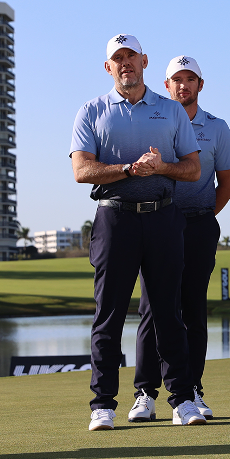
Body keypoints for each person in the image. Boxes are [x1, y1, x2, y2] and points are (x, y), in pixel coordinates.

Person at [70, 34, 203, 430]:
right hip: (114, 220)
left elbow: (193, 168)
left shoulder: (171, 111)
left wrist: (160, 167)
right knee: (108, 314)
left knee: (168, 313)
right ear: (108, 67)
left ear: (145, 62)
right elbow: (81, 170)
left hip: (162, 218)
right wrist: (129, 169)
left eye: (132, 57)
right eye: (118, 58)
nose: (125, 63)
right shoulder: (91, 110)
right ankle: (103, 405)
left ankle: (182, 399)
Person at [132, 55, 230, 422]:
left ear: (200, 85)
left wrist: (204, 214)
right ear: (166, 86)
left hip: (197, 225)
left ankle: (191, 389)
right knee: (153, 309)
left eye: (190, 78)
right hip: (156, 223)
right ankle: (146, 393)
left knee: (192, 308)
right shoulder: (153, 120)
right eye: (177, 79)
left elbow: (229, 183)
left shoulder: (218, 128)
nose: (183, 85)